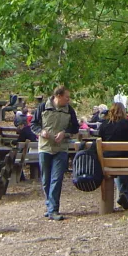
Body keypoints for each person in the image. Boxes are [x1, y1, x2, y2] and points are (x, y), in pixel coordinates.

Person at [31, 86, 80, 221]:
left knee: (56, 179)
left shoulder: (69, 110)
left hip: (61, 149)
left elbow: (75, 127)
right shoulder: (43, 107)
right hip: (45, 148)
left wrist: (65, 133)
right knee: (46, 179)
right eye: (66, 97)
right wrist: (41, 132)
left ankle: (53, 209)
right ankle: (49, 206)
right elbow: (33, 124)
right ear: (58, 96)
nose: (68, 100)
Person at [99, 102, 128, 210]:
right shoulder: (126, 124)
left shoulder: (104, 124)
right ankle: (125, 194)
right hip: (124, 157)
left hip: (107, 159)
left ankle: (123, 194)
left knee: (116, 167)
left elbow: (100, 139)